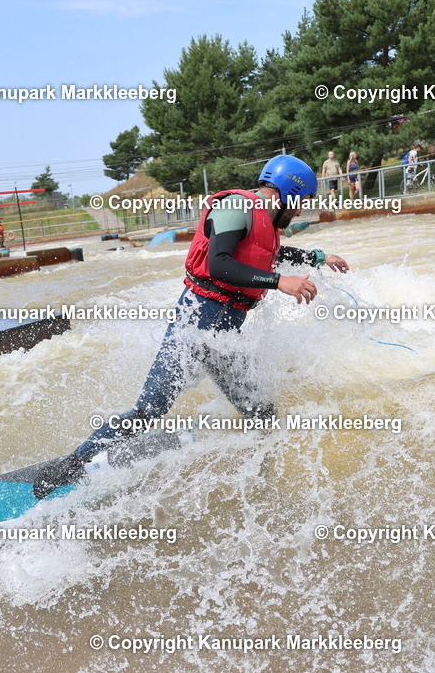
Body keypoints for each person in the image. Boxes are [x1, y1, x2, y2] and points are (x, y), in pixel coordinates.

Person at [33, 155, 350, 498]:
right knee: (148, 410)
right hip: (195, 326)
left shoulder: (267, 222)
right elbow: (219, 265)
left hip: (226, 336)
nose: (301, 211)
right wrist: (279, 282)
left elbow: (265, 251)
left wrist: (319, 258)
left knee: (262, 412)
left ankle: (262, 490)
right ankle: (72, 464)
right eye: (301, 202)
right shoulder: (234, 206)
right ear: (288, 192)